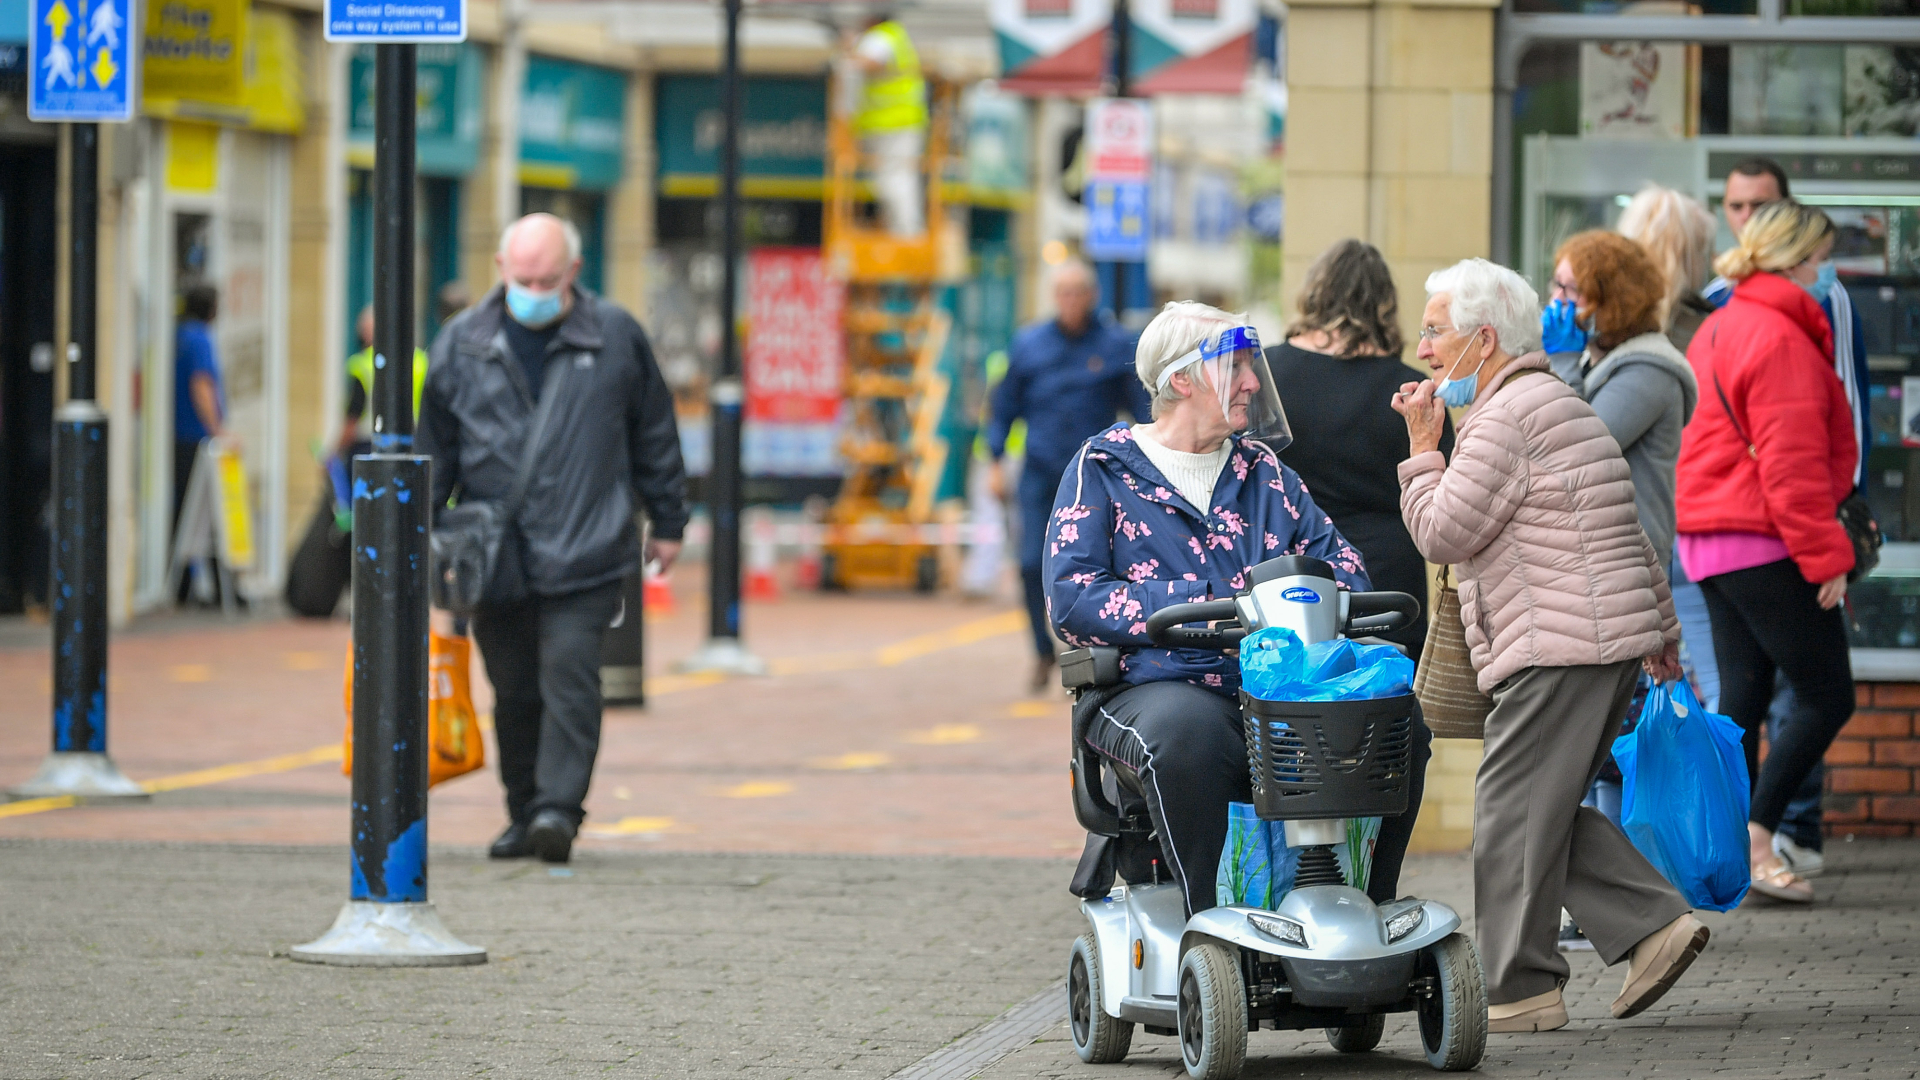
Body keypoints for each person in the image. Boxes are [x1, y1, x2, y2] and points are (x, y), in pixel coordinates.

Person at [1394, 258, 1705, 1034]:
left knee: (1509, 812)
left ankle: (1520, 990)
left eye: (1435, 331)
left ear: (1483, 339)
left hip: (1559, 644)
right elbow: (1628, 530)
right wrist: (1662, 632)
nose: (1424, 349)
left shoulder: (1503, 418)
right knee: (1545, 808)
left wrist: (1423, 447)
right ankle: (1651, 928)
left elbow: (1441, 531)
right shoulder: (1556, 403)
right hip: (1596, 641)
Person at [1045, 300, 1430, 919]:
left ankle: (1365, 903)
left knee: (1397, 722)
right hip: (1164, 683)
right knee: (1189, 739)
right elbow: (1073, 597)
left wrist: (1295, 592)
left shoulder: (1265, 472)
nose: (1254, 381)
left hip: (1282, 682)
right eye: (1238, 367)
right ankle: (1209, 919)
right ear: (1181, 380)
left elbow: (1346, 568)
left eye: (1253, 367)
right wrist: (1205, 605)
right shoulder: (1103, 468)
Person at [417, 213, 689, 865]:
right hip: (496, 557)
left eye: (545, 278)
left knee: (569, 678)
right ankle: (523, 809)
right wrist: (421, 534)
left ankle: (558, 811)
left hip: (586, 545)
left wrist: (670, 520)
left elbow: (654, 430)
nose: (533, 289)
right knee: (513, 688)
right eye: (522, 277)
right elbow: (436, 446)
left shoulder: (615, 336)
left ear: (573, 272)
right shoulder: (462, 343)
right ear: (501, 271)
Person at [1675, 200, 1857, 905]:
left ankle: (1725, 848)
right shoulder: (1780, 338)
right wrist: (1827, 556)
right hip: (1763, 539)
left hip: (1711, 542)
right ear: (1797, 260)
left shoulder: (1721, 326)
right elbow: (1791, 468)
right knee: (1826, 693)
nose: (1827, 273)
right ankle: (1757, 836)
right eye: (1821, 258)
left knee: (1744, 695)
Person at [1266, 238, 1452, 661]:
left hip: (1289, 574)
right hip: (1386, 580)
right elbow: (1447, 493)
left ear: (1315, 293)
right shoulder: (1414, 391)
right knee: (1384, 711)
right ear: (1385, 303)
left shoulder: (1266, 375)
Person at [986, 258, 1152, 691]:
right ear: (1053, 297)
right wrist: (994, 461)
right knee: (1028, 565)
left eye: (1079, 292)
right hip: (1040, 472)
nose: (1071, 301)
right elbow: (1004, 406)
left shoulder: (1116, 345)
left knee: (1097, 570)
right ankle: (1041, 652)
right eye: (1063, 293)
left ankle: (1087, 657)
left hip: (1093, 478)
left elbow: (1142, 412)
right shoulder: (1029, 344)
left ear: (1092, 295)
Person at [173, 284, 228, 606]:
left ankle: (181, 585)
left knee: (183, 510)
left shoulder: (179, 335)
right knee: (208, 515)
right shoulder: (200, 338)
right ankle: (218, 589)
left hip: (179, 435)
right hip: (198, 438)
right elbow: (202, 384)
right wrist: (217, 429)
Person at [849, 12, 928, 237]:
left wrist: (848, 54)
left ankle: (905, 234)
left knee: (891, 180)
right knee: (897, 179)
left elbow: (870, 61)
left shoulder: (881, 36)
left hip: (892, 124)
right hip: (899, 123)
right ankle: (904, 231)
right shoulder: (896, 36)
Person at [1616, 184, 1719, 355]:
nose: (1705, 263)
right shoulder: (1700, 332)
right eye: (1700, 250)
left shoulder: (1607, 321)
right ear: (1681, 256)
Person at [338, 304, 430, 457]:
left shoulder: (362, 364)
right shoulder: (421, 360)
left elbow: (352, 418)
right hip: (415, 445)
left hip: (370, 446)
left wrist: (336, 451)